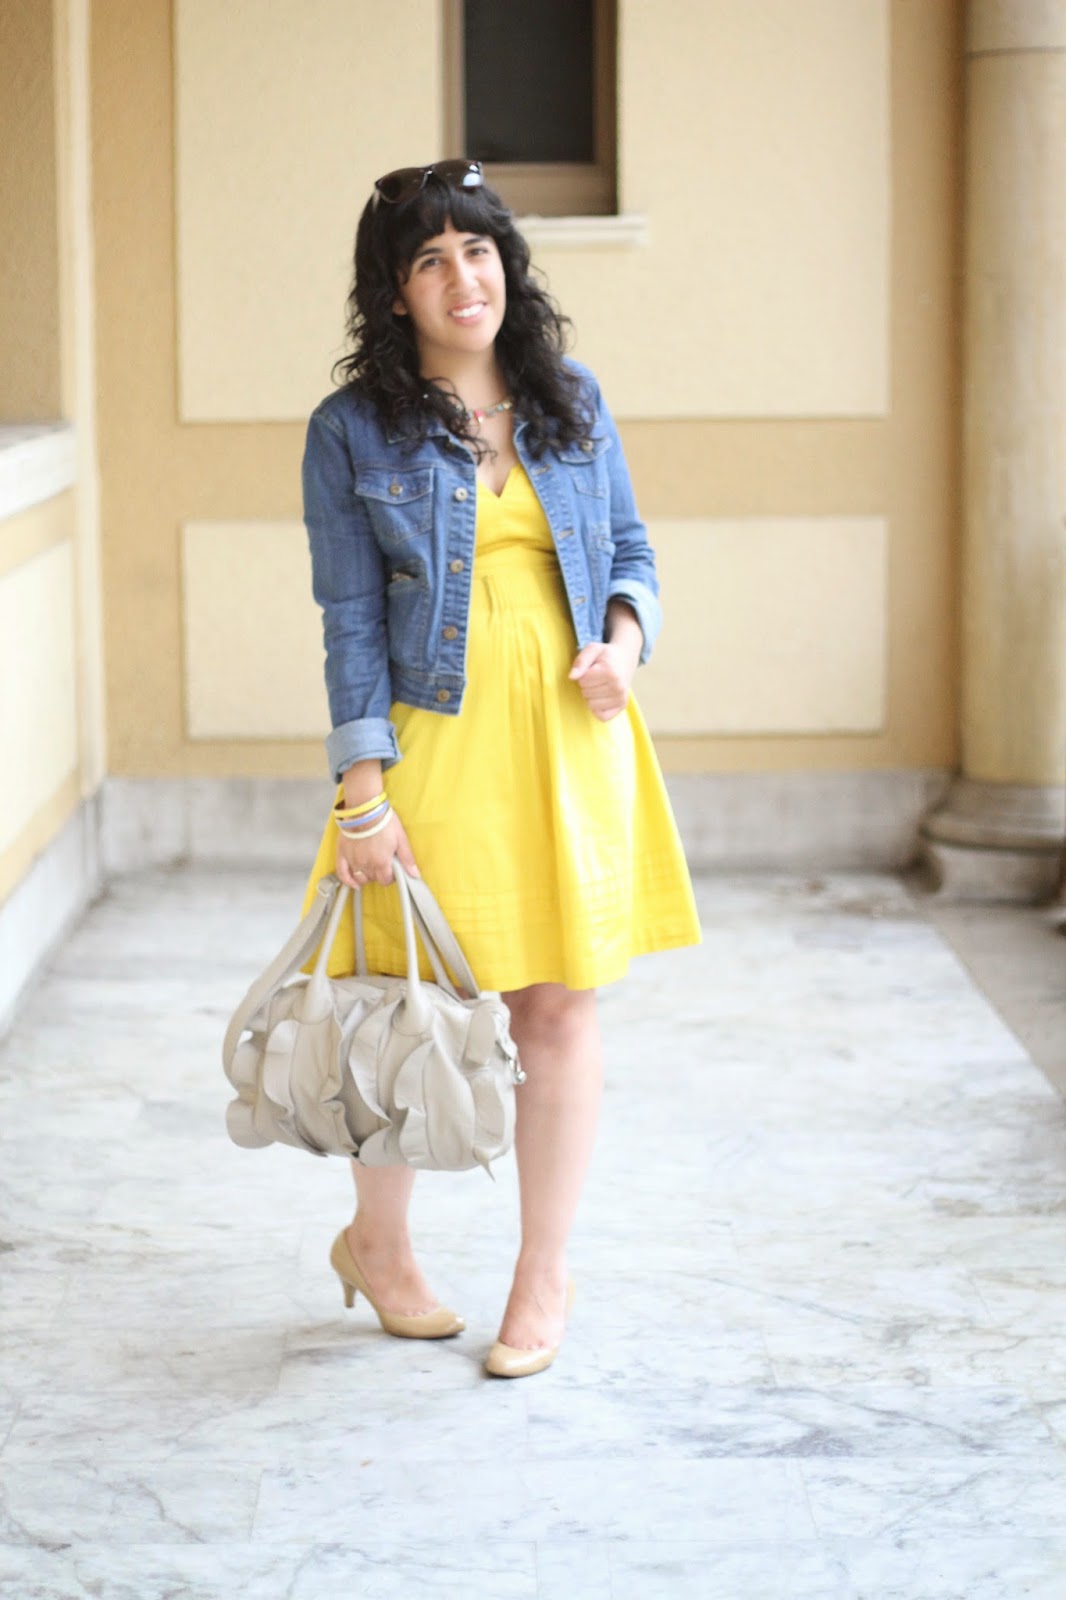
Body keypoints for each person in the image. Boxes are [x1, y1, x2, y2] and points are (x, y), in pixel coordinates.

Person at [298, 159, 701, 1378]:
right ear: (397, 288)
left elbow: (631, 546)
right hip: (430, 741)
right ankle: (378, 1245)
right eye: (427, 259)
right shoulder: (351, 430)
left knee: (558, 1005)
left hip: (571, 741)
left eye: (475, 249)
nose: (458, 277)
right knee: (406, 1001)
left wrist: (625, 641)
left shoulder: (569, 397)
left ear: (505, 267)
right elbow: (349, 617)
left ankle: (543, 1268)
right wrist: (360, 790)